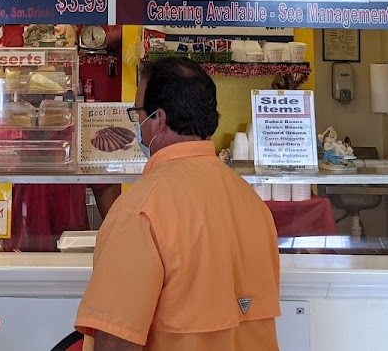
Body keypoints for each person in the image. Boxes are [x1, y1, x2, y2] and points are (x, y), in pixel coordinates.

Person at [75, 57, 281, 351]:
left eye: (138, 113)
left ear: (158, 119)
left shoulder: (141, 209)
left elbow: (116, 340)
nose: (138, 124)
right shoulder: (251, 202)